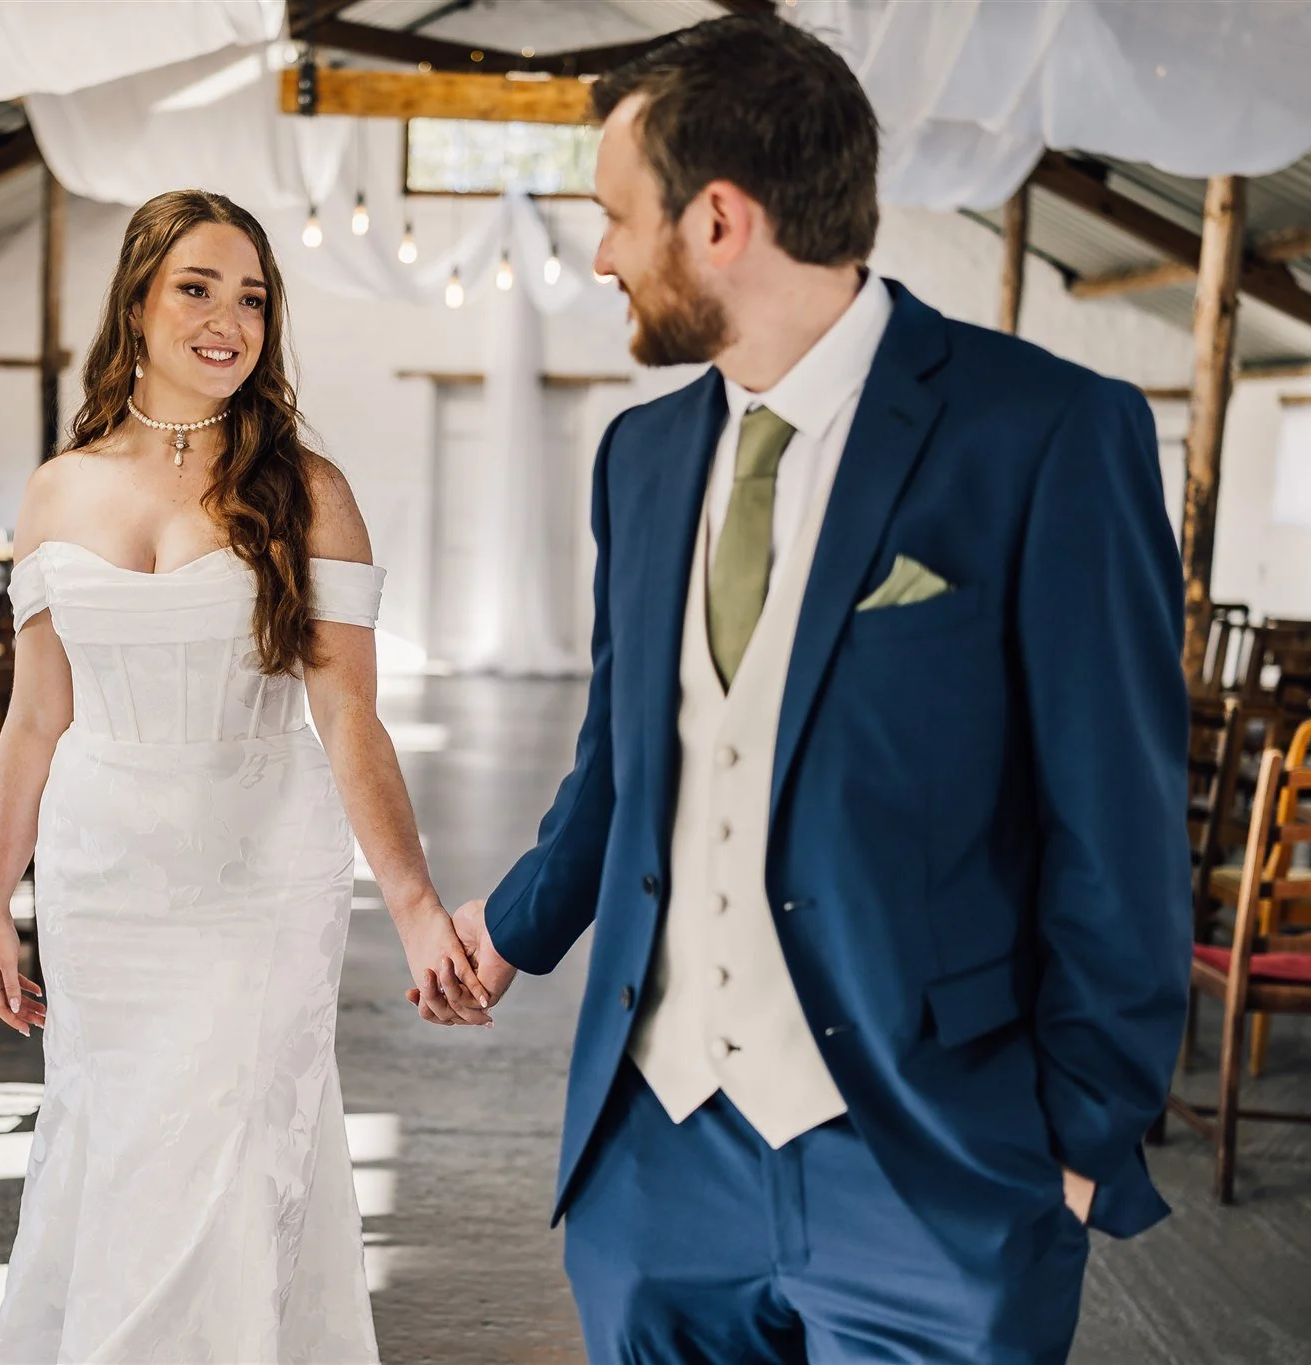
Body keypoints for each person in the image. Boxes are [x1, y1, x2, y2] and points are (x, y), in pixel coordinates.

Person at [430, 15, 1191, 1363]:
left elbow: (1120, 823)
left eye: (616, 217)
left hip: (933, 1169)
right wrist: (511, 925)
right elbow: (627, 760)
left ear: (719, 219)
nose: (600, 254)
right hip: (657, 1179)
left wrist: (1081, 1141)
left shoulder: (1050, 433)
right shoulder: (643, 458)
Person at [0, 188, 492, 1364]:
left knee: (217, 1159)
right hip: (102, 881)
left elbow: (348, 714)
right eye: (197, 288)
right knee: (113, 1152)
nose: (228, 319)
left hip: (260, 876)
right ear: (138, 304)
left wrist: (412, 903)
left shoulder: (306, 489)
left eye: (251, 297)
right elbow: (35, 718)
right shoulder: (57, 488)